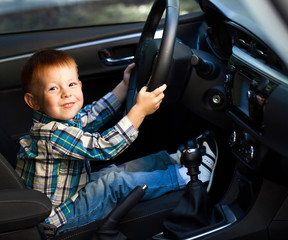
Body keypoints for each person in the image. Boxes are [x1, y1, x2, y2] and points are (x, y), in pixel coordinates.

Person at [15, 49, 218, 234]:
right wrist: (139, 111)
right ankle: (189, 176)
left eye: (71, 84)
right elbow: (105, 146)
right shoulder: (51, 135)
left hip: (74, 194)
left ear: (79, 85)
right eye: (53, 89)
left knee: (115, 171)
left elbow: (91, 115)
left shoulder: (59, 120)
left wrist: (124, 87)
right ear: (33, 101)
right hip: (62, 219)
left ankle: (176, 159)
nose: (66, 93)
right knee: (113, 183)